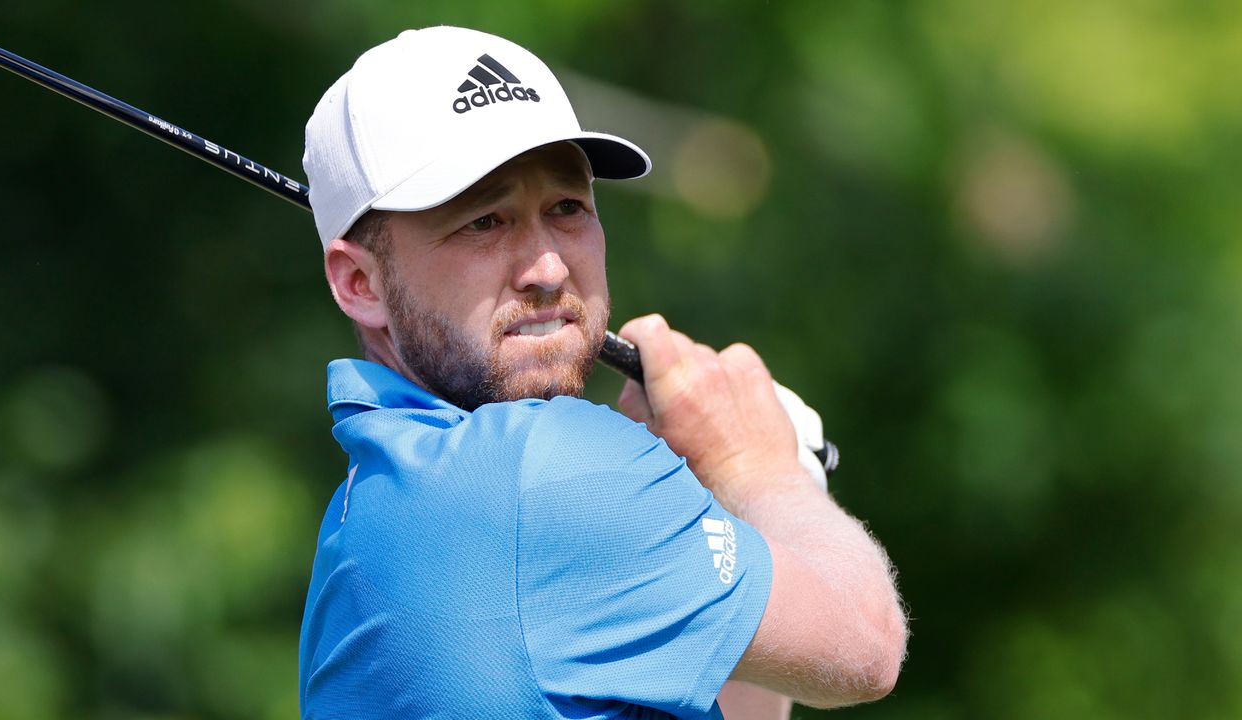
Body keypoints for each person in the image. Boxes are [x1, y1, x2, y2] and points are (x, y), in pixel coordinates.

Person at [298, 26, 907, 720]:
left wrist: (720, 499)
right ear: (359, 282)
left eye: (567, 208)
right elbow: (865, 647)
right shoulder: (545, 468)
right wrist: (761, 469)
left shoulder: (365, 509)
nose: (549, 268)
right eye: (484, 222)